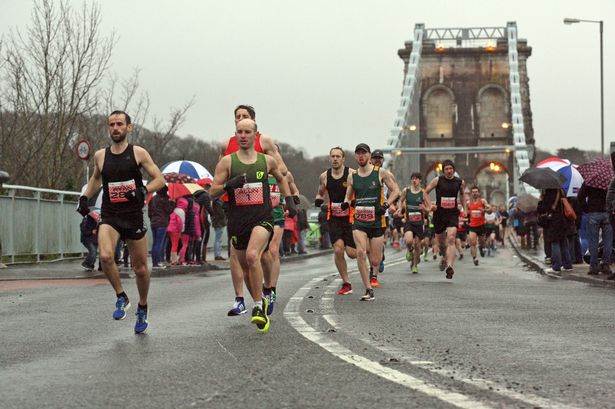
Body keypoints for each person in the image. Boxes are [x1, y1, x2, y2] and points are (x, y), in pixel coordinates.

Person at [77, 110, 165, 334]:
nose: (115, 128)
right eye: (112, 125)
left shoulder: (138, 153)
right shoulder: (100, 156)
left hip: (133, 215)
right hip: (110, 214)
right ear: (108, 128)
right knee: (105, 256)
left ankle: (142, 307)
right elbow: (96, 178)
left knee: (141, 269)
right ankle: (121, 296)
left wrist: (142, 190)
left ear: (129, 127)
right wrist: (85, 197)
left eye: (119, 124)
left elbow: (160, 179)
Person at [209, 118, 295, 333]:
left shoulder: (266, 161)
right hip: (238, 220)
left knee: (251, 255)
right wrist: (229, 185)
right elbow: (213, 191)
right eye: (239, 131)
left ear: (256, 135)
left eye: (247, 131)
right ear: (235, 134)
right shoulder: (227, 162)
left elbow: (281, 177)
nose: (243, 135)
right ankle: (259, 300)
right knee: (246, 268)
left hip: (262, 218)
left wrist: (290, 200)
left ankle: (258, 305)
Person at [342, 143, 400, 301]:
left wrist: (386, 205)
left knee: (375, 260)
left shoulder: (380, 173)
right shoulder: (352, 176)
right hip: (359, 219)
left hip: (377, 221)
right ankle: (368, 288)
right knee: (361, 253)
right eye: (358, 153)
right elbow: (348, 195)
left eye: (364, 153)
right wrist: (346, 203)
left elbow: (396, 191)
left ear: (369, 156)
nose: (361, 156)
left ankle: (374, 270)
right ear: (355, 156)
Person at [314, 147, 357, 294]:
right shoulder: (324, 176)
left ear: (343, 159)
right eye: (333, 156)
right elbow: (320, 192)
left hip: (350, 217)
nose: (335, 159)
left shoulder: (351, 174)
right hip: (334, 218)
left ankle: (367, 253)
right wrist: (319, 199)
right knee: (338, 250)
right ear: (329, 158)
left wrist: (353, 202)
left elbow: (359, 192)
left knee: (352, 253)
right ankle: (346, 283)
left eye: (338, 156)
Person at [424, 159, 468, 279]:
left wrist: (465, 209)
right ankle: (444, 256)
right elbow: (425, 192)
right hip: (439, 214)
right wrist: (430, 206)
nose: (449, 171)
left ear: (454, 170)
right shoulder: (438, 180)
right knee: (442, 244)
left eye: (451, 169)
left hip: (453, 213)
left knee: (452, 238)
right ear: (443, 171)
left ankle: (450, 267)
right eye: (446, 169)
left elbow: (462, 195)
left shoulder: (459, 182)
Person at [397, 172, 431, 274]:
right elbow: (401, 200)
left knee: (417, 245)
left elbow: (429, 208)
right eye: (412, 179)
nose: (414, 180)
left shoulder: (423, 193)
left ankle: (415, 265)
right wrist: (399, 209)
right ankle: (409, 251)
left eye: (416, 179)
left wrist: (424, 208)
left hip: (419, 223)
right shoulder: (406, 191)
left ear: (420, 180)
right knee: (408, 241)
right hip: (409, 222)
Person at [578, 182, 612, 275]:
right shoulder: (609, 179)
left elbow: (580, 197)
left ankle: (593, 266)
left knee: (593, 241)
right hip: (607, 213)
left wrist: (587, 209)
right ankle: (605, 264)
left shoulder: (589, 180)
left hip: (593, 212)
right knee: (608, 241)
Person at [538, 188, 573, 273]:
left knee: (555, 242)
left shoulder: (549, 193)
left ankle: (556, 266)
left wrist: (541, 201)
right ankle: (567, 265)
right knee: (563, 242)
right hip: (563, 220)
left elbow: (543, 209)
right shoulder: (562, 191)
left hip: (554, 221)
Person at [147, 186, 174, 269]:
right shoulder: (165, 199)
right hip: (162, 223)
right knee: (159, 243)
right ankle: (158, 262)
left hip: (153, 223)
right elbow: (169, 210)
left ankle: (155, 262)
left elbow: (149, 212)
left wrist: (153, 219)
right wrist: (173, 203)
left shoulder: (153, 199)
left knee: (155, 243)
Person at [467, 186, 487, 266]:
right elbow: (465, 210)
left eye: (476, 192)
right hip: (472, 226)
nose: (474, 193)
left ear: (478, 193)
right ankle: (474, 258)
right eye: (473, 192)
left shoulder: (482, 201)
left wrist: (485, 210)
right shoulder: (469, 203)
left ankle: (481, 248)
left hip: (481, 225)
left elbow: (490, 209)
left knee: (482, 242)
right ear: (471, 193)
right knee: (473, 242)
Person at [167, 198, 187, 265]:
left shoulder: (175, 209)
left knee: (173, 244)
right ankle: (174, 260)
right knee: (175, 245)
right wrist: (181, 231)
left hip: (170, 228)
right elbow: (181, 223)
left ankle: (173, 259)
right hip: (175, 230)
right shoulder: (181, 211)